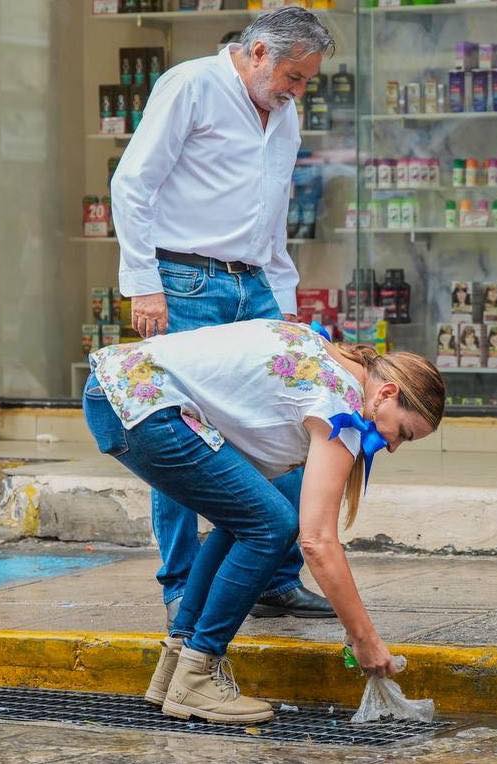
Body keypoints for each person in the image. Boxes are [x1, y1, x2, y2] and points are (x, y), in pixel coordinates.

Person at [83, 319, 445, 722]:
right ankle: (198, 673)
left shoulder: (331, 359)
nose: (392, 447)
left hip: (119, 390)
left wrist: (353, 623)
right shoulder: (339, 402)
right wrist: (365, 638)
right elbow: (318, 541)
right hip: (141, 404)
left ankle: (176, 668)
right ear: (387, 393)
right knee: (271, 525)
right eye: (403, 434)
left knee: (248, 520)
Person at [110, 9, 337, 621]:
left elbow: (274, 212)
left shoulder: (283, 113)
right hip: (183, 279)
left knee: (292, 425)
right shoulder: (191, 86)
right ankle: (182, 585)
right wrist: (143, 283)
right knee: (176, 433)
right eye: (293, 75)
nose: (297, 90)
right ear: (258, 52)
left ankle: (272, 575)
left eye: (306, 80)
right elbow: (132, 183)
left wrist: (285, 303)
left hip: (255, 282)